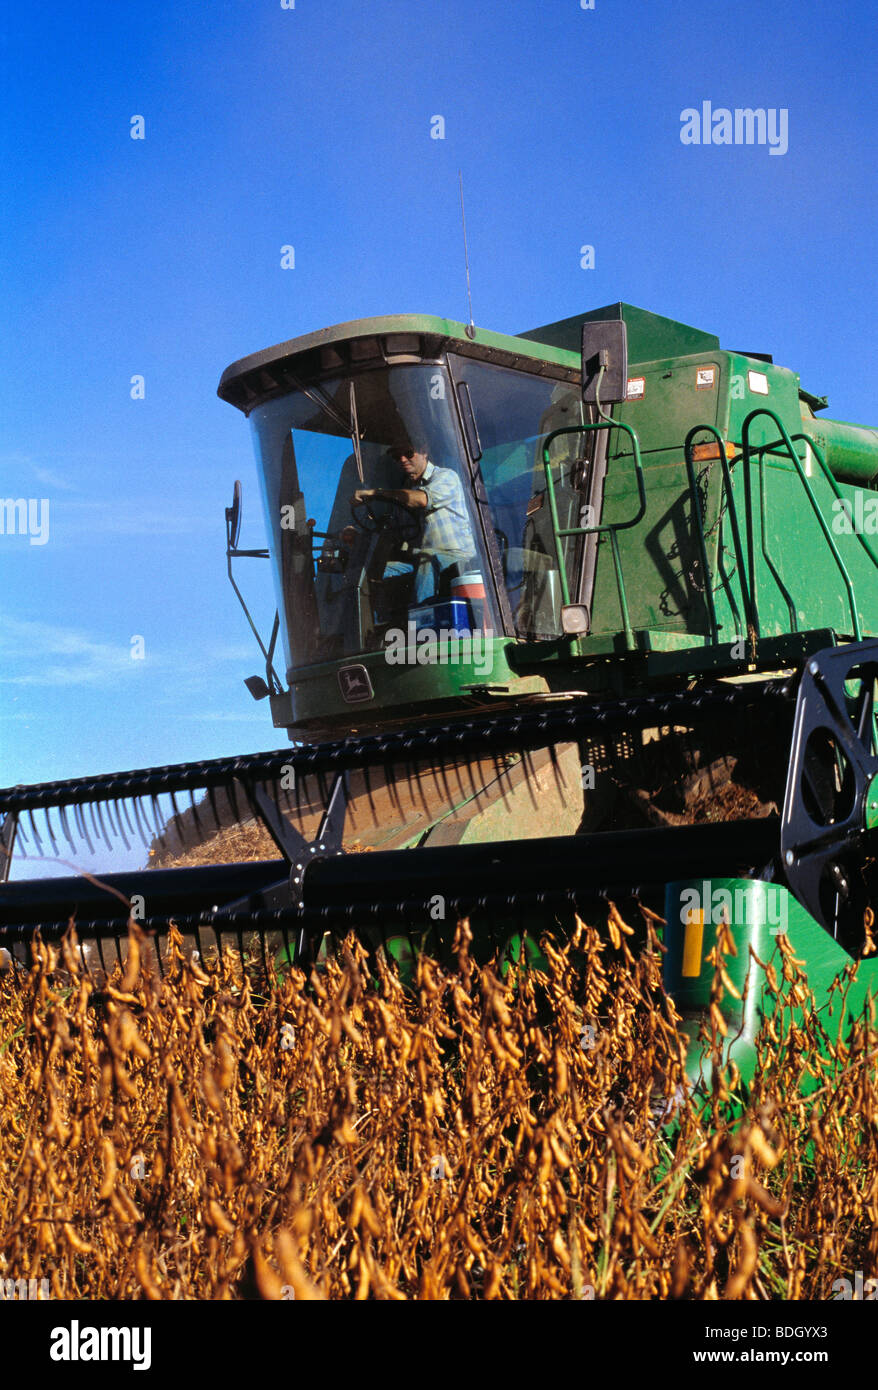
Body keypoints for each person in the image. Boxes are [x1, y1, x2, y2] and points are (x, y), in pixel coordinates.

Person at [350, 443, 476, 604]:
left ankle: (422, 620)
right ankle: (376, 625)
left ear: (424, 452)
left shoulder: (445, 477)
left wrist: (376, 493)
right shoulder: (405, 492)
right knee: (377, 571)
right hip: (420, 559)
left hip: (457, 557)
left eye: (408, 453)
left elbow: (422, 499)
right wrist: (357, 535)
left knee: (428, 560)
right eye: (397, 457)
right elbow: (394, 530)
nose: (402, 459)